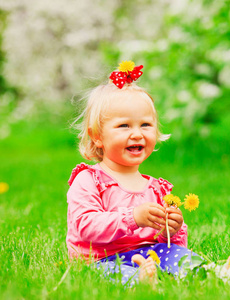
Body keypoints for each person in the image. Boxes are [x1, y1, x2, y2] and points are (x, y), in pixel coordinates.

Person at [66, 61, 198, 285]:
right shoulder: (89, 180)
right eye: (124, 126)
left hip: (149, 254)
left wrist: (172, 229)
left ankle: (203, 273)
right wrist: (133, 217)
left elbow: (169, 244)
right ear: (97, 135)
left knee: (186, 259)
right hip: (100, 259)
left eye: (145, 125)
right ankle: (140, 281)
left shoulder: (157, 188)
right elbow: (86, 226)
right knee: (113, 273)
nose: (137, 134)